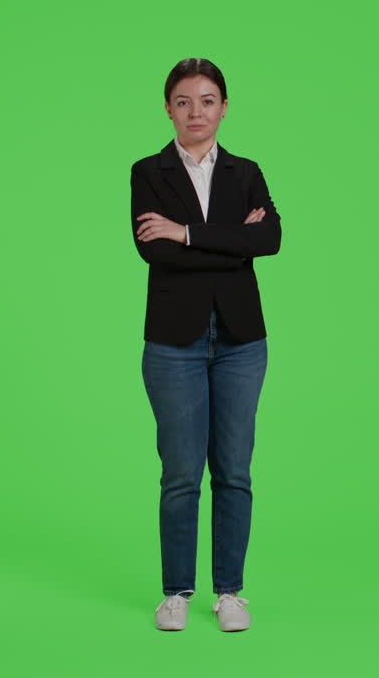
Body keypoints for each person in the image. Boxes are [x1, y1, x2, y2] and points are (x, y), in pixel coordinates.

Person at [131, 58, 281, 632]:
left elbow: (269, 238)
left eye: (208, 100)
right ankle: (175, 591)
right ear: (168, 109)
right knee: (181, 473)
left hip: (242, 341)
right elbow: (154, 250)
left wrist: (186, 232)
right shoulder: (148, 172)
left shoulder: (247, 171)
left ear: (224, 107)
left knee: (235, 470)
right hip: (174, 342)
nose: (196, 111)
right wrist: (232, 240)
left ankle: (230, 592)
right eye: (184, 101)